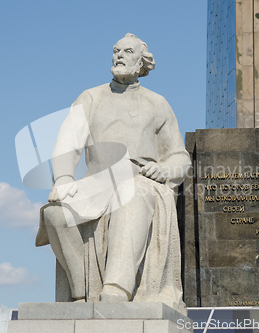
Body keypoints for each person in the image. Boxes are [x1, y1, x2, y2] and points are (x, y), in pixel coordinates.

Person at [35, 33, 191, 312]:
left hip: (141, 180)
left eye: (127, 51)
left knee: (130, 195)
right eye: (116, 50)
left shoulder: (157, 103)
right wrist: (64, 179)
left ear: (142, 61)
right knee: (54, 214)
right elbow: (68, 142)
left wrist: (165, 169)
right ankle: (81, 294)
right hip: (96, 183)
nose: (119, 55)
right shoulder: (91, 97)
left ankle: (116, 289)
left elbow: (179, 156)